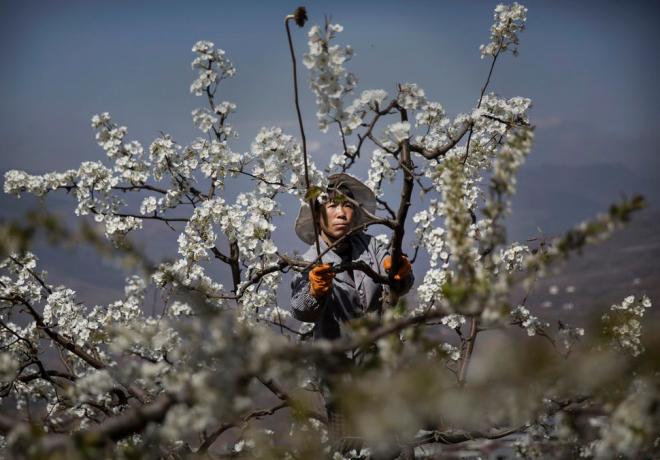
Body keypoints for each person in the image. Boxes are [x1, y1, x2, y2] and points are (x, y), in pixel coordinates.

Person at [289, 173, 414, 455]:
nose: (341, 213)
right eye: (332, 206)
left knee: (394, 449)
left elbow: (400, 283)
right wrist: (316, 292)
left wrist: (400, 274)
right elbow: (300, 310)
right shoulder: (310, 262)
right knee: (350, 450)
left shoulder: (373, 248)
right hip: (341, 384)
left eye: (347, 206)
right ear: (318, 215)